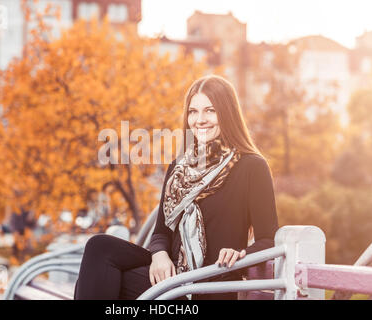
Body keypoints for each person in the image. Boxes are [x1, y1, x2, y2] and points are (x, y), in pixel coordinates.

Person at [73, 75, 279, 300]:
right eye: (193, 112)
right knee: (99, 247)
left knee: (103, 281)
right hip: (172, 277)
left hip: (206, 285)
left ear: (227, 113)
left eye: (210, 110)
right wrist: (159, 255)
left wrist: (241, 255)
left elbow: (268, 239)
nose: (200, 120)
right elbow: (162, 232)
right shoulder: (179, 168)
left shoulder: (251, 166)